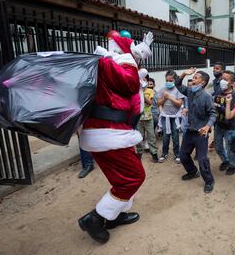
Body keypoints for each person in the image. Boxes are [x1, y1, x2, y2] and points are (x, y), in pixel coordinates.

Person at [78, 32, 153, 244]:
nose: (138, 58)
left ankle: (114, 216)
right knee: (134, 177)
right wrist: (130, 59)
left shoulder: (112, 64)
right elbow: (129, 84)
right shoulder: (110, 64)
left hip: (115, 132)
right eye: (135, 53)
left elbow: (129, 93)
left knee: (120, 179)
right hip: (109, 132)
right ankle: (95, 218)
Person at [175, 67, 217, 193]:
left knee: (202, 158)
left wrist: (208, 126)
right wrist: (183, 73)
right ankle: (192, 172)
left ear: (202, 83)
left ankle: (209, 181)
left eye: (195, 77)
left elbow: (213, 114)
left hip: (201, 132)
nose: (192, 79)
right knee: (183, 155)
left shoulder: (206, 96)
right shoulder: (189, 91)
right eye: (193, 77)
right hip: (190, 130)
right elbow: (177, 84)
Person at [213, 70, 235, 175]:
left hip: (229, 127)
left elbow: (230, 113)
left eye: (225, 79)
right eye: (221, 78)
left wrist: (217, 106)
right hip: (218, 125)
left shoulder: (234, 95)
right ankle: (225, 161)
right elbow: (213, 104)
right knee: (218, 146)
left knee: (230, 148)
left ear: (231, 83)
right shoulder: (218, 91)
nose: (222, 81)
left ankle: (233, 165)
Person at [157, 70, 185, 163]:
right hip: (165, 117)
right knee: (165, 136)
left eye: (171, 80)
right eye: (167, 80)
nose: (169, 82)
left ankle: (177, 154)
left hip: (176, 117)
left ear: (175, 80)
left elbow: (179, 103)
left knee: (175, 136)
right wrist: (164, 98)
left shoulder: (179, 89)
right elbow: (158, 103)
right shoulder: (162, 89)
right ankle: (164, 153)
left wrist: (170, 97)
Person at [136, 75, 158, 163]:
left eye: (144, 80)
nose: (142, 81)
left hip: (148, 118)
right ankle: (139, 154)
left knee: (151, 137)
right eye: (140, 79)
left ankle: (154, 154)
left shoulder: (150, 91)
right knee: (139, 138)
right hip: (138, 119)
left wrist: (143, 96)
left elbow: (150, 103)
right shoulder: (135, 91)